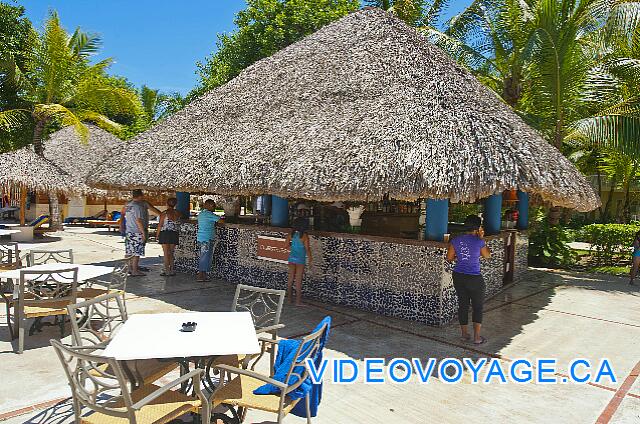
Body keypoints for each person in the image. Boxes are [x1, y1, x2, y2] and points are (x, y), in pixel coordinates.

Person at [447, 215, 491, 344]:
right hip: (474, 278)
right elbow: (487, 256)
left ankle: (464, 335)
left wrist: (461, 259)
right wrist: (482, 239)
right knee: (477, 307)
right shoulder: (479, 241)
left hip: (459, 276)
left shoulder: (456, 240)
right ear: (478, 228)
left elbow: (449, 258)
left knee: (463, 305)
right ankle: (477, 337)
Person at [120, 190, 161, 276]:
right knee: (136, 252)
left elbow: (123, 214)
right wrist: (143, 233)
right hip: (137, 231)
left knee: (129, 251)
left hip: (129, 231)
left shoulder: (128, 205)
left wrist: (122, 225)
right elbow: (138, 221)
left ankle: (128, 269)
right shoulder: (138, 206)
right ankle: (135, 270)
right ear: (140, 196)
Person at [285, 217, 312, 306]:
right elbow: (307, 249)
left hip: (291, 258)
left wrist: (293, 247)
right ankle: (298, 302)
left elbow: (286, 246)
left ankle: (289, 299)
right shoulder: (304, 236)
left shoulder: (290, 235)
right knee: (298, 281)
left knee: (290, 278)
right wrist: (310, 259)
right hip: (300, 260)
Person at [157, 197, 183, 276]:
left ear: (167, 204)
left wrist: (157, 235)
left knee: (166, 253)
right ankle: (172, 270)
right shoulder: (178, 213)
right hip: (174, 233)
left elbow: (160, 225)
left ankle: (166, 270)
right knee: (171, 253)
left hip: (165, 233)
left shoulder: (164, 213)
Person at [196, 199, 221, 282]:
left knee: (204, 256)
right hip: (206, 239)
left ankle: (203, 275)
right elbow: (220, 220)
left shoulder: (201, 213)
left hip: (201, 238)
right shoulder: (209, 214)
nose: (214, 207)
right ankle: (200, 276)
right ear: (209, 205)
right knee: (205, 257)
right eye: (213, 205)